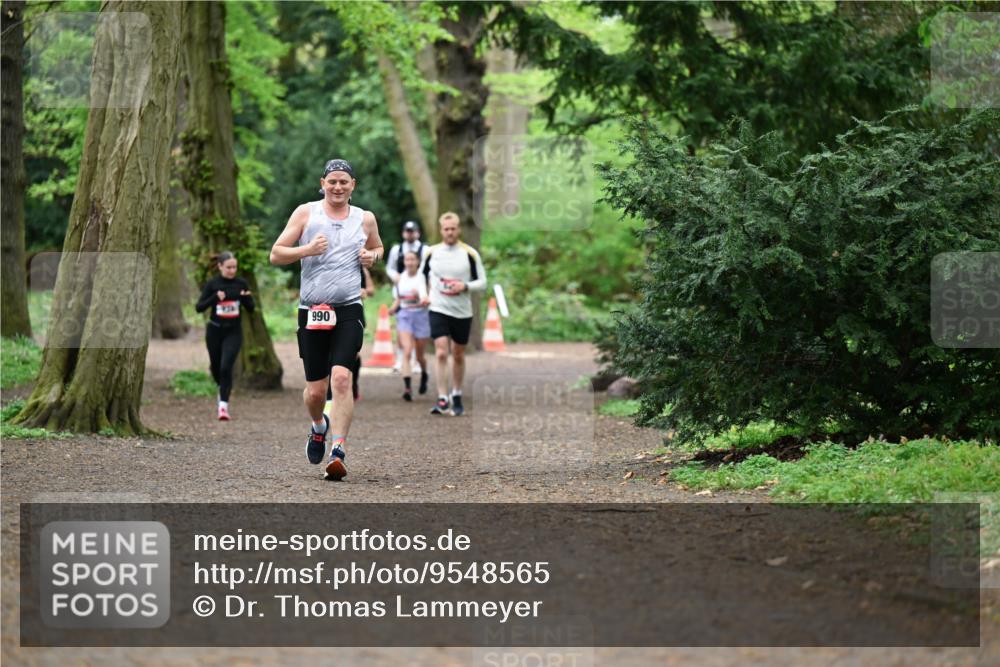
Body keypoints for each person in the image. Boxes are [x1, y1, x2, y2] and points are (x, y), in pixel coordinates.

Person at [269, 158, 383, 480]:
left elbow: (378, 248)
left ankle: (339, 450)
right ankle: (319, 426)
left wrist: (372, 257)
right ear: (322, 183)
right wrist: (306, 250)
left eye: (343, 182)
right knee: (316, 392)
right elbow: (276, 253)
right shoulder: (306, 213)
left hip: (348, 308)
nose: (337, 187)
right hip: (312, 310)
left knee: (342, 379)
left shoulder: (365, 218)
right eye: (332, 181)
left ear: (352, 186)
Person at [421, 212, 487, 416]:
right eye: (446, 229)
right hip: (438, 307)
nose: (449, 232)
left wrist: (464, 286)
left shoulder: (469, 254)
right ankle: (442, 397)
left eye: (453, 228)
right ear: (441, 230)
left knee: (458, 353)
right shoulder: (431, 252)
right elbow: (421, 278)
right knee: (441, 351)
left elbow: (482, 282)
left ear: (458, 229)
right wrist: (425, 295)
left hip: (462, 311)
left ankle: (456, 393)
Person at [194, 251, 254, 421]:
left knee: (226, 367)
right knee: (216, 367)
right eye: (228, 267)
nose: (232, 270)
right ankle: (222, 387)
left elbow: (251, 308)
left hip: (233, 332)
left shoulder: (241, 283)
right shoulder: (213, 284)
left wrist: (246, 299)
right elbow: (199, 307)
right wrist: (215, 298)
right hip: (214, 331)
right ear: (220, 267)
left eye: (234, 267)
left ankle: (223, 407)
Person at [325, 265, 374, 417]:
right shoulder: (326, 264)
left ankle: (353, 385)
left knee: (354, 354)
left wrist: (364, 291)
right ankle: (329, 393)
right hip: (327, 312)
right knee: (329, 352)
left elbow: (371, 290)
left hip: (353, 314)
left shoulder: (361, 268)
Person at [388, 250, 430, 401]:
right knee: (406, 350)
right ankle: (407, 388)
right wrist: (393, 308)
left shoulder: (421, 277)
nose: (410, 262)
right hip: (404, 315)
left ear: (417, 262)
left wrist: (423, 297)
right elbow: (399, 298)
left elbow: (424, 293)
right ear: (404, 262)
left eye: (413, 259)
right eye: (407, 260)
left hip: (420, 315)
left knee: (419, 356)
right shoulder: (400, 278)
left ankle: (425, 373)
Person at [386, 220, 425, 372]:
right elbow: (390, 268)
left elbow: (428, 269)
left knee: (417, 328)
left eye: (412, 231)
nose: (410, 234)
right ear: (404, 233)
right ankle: (401, 359)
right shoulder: (397, 249)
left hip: (418, 291)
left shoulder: (424, 249)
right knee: (401, 326)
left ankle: (414, 360)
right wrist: (395, 276)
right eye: (407, 231)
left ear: (417, 232)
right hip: (401, 291)